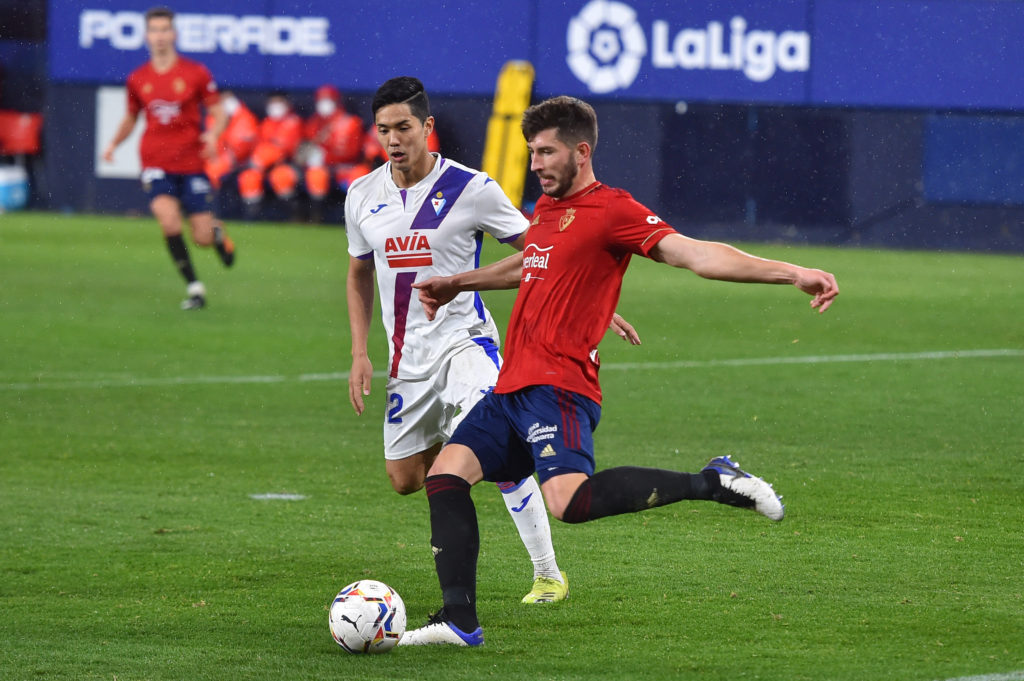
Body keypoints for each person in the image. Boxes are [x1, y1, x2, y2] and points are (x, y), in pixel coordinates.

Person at [400, 95, 840, 646]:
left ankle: (715, 481)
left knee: (569, 503)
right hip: (510, 387)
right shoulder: (547, 210)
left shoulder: (614, 210)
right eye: (531, 152)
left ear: (581, 152)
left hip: (557, 386)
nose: (536, 164)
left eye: (546, 152)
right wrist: (457, 281)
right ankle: (458, 621)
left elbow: (695, 254)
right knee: (444, 478)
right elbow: (530, 261)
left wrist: (790, 272)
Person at [345, 78, 639, 606]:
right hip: (406, 360)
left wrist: (600, 300)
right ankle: (463, 471)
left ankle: (547, 573)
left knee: (498, 449)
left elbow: (546, 250)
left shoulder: (472, 188)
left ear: (427, 127)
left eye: (404, 128)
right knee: (405, 479)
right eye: (384, 129)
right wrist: (359, 352)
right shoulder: (362, 195)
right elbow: (358, 272)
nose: (393, 139)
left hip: (466, 345)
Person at [102, 6, 235, 310]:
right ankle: (195, 288)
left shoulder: (195, 73)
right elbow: (131, 117)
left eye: (165, 30)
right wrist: (113, 144)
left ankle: (214, 232)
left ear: (174, 34)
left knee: (200, 237)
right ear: (146, 36)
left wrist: (213, 136)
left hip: (191, 163)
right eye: (154, 30)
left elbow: (217, 110)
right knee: (169, 220)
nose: (159, 36)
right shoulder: (138, 78)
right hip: (155, 162)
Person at [300, 85, 363, 222]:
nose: (324, 104)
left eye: (328, 100)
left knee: (359, 176)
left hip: (347, 167)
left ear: (336, 101)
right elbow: (304, 150)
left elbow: (352, 152)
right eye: (321, 100)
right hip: (324, 168)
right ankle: (317, 217)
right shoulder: (313, 123)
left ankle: (358, 221)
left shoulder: (350, 122)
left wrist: (326, 155)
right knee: (316, 175)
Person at [237, 92, 303, 217]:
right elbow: (257, 146)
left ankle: (292, 217)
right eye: (272, 103)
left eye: (278, 102)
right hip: (262, 167)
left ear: (286, 104)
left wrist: (265, 157)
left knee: (281, 177)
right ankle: (253, 220)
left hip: (288, 165)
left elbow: (287, 149)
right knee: (249, 177)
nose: (275, 106)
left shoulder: (293, 122)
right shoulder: (266, 123)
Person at [204, 90, 259, 191]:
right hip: (221, 159)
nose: (225, 102)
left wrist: (231, 157)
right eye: (223, 99)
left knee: (249, 179)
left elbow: (247, 146)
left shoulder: (246, 117)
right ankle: (212, 202)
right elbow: (212, 143)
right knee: (206, 169)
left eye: (228, 99)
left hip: (243, 163)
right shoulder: (213, 118)